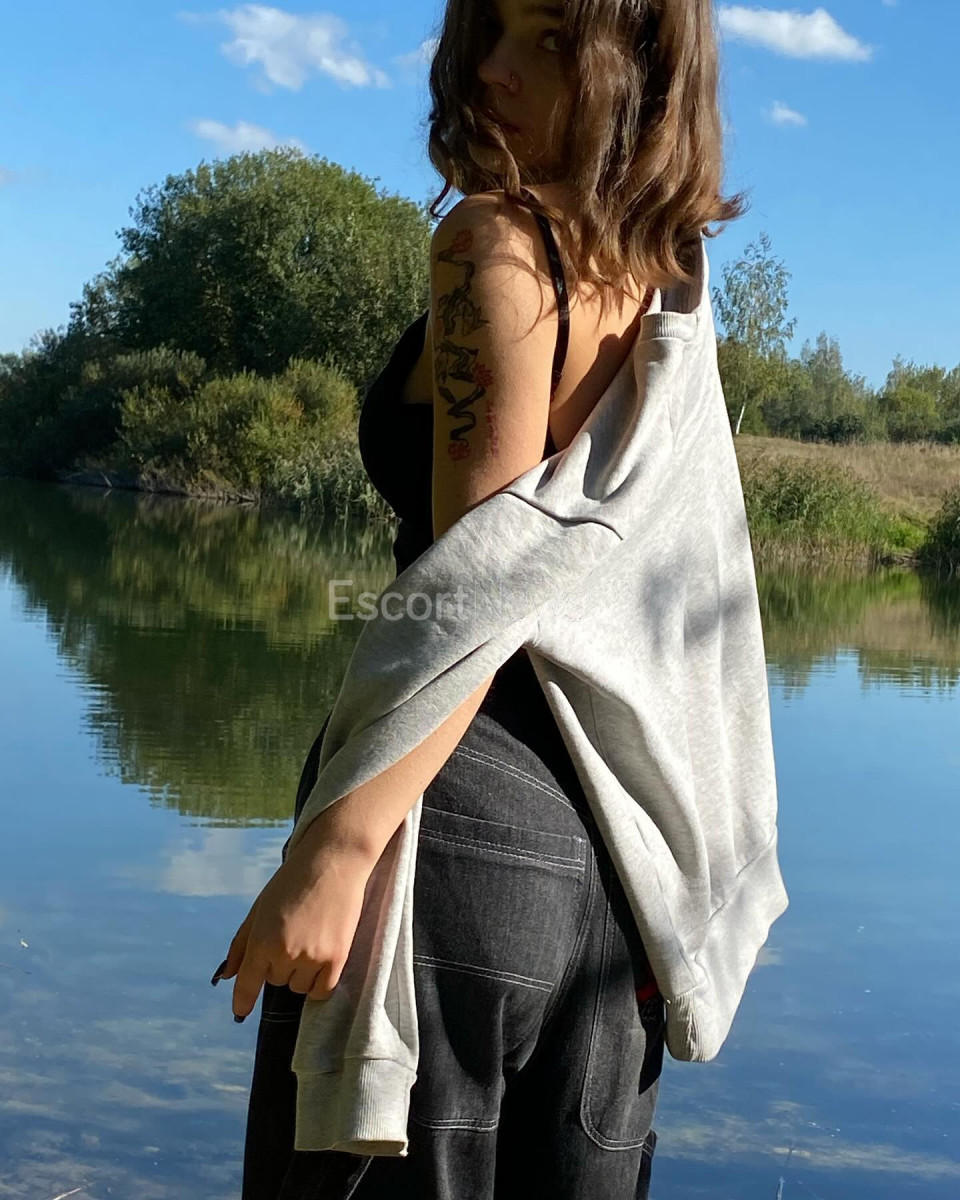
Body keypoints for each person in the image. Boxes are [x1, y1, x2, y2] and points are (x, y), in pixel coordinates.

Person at [229, 0, 748, 1195]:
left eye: (555, 40)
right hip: (620, 868)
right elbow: (684, 596)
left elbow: (475, 588)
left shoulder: (496, 244)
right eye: (495, 29)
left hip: (454, 829)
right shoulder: (671, 281)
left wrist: (341, 845)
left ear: (637, 66)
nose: (497, 72)